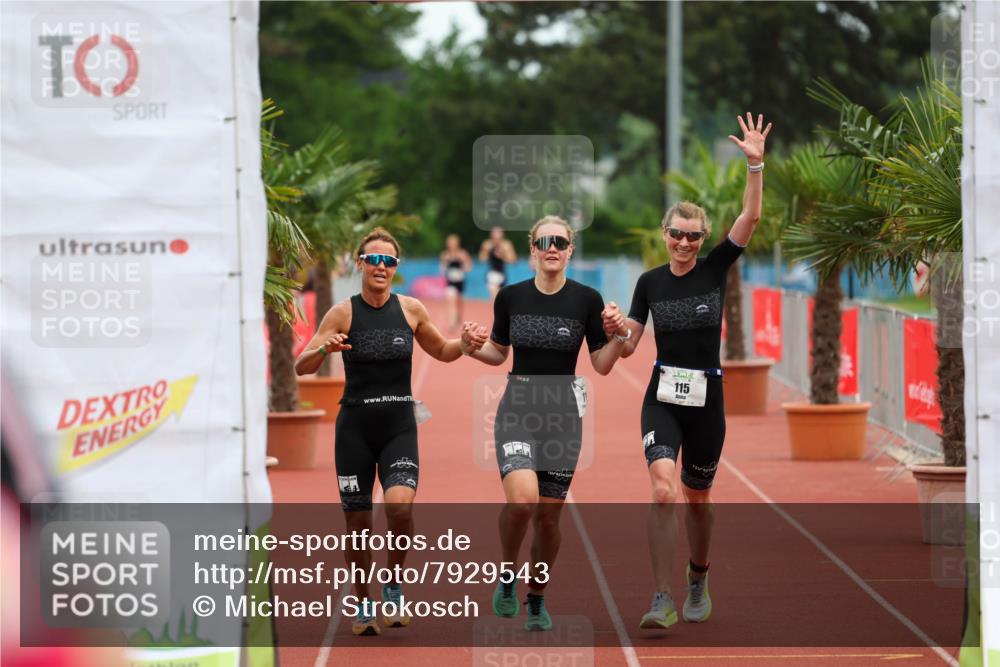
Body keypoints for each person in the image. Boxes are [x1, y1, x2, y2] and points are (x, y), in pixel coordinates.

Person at [607, 113, 771, 630]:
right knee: (662, 490)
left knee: (699, 500)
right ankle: (661, 597)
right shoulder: (649, 282)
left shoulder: (716, 267)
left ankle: (697, 576)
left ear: (702, 239)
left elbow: (751, 218)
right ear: (665, 234)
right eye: (677, 234)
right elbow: (631, 348)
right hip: (662, 396)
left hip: (708, 401)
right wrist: (616, 329)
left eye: (693, 236)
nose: (684, 243)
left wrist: (755, 164)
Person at [295, 227, 487, 636]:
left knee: (400, 509)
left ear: (395, 268)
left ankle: (394, 584)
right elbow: (301, 366)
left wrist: (466, 344)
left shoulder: (412, 309)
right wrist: (323, 350)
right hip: (354, 430)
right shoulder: (342, 312)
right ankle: (363, 600)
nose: (381, 267)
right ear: (361, 264)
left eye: (390, 261)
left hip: (399, 425)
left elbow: (443, 351)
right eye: (374, 260)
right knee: (358, 524)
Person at [462, 215, 629, 631]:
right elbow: (498, 353)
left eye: (560, 241)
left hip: (562, 417)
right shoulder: (510, 297)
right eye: (544, 242)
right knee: (522, 502)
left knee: (550, 518)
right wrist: (470, 349)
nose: (551, 248)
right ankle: (506, 575)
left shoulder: (587, 300)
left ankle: (536, 597)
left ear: (570, 249)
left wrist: (621, 337)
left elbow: (602, 365)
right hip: (517, 408)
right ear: (532, 250)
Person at [440, 234, 473, 332]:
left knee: (459, 303)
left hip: (460, 281)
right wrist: (446, 264)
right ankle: (452, 323)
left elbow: (469, 266)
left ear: (457, 243)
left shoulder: (462, 253)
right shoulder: (445, 254)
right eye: (450, 243)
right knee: (451, 301)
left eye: (453, 242)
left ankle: (458, 319)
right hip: (450, 282)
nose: (452, 244)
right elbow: (442, 268)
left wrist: (464, 266)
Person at [479, 226, 517, 299]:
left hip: (502, 275)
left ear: (502, 237)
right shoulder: (487, 245)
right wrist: (487, 253)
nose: (497, 240)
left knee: (501, 299)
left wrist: (503, 256)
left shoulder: (506, 245)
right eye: (495, 238)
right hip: (491, 274)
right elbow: (481, 259)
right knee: (494, 297)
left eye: (499, 238)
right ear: (491, 236)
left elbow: (513, 261)